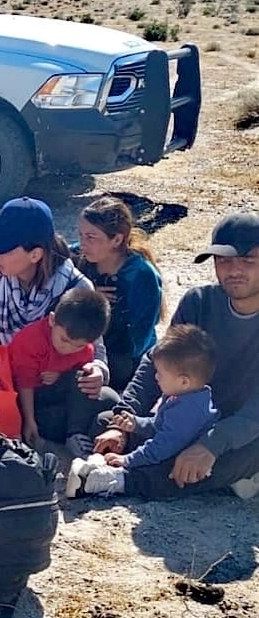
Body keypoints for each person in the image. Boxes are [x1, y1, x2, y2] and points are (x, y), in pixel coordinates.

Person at [91, 212, 259, 499]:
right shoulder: (200, 302)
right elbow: (157, 361)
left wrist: (211, 444)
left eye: (248, 261)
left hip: (244, 426)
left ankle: (122, 481)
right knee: (106, 421)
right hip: (191, 416)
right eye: (224, 260)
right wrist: (124, 419)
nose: (234, 270)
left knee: (239, 454)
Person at [0, 196, 118, 457]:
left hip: (55, 385)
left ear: (35, 254)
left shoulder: (75, 287)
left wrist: (97, 371)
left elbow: (96, 349)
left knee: (106, 397)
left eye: (5, 249)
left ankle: (41, 427)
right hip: (4, 385)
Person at [68, 324, 218, 497]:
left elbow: (161, 446)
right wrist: (134, 424)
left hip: (174, 452)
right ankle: (102, 461)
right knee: (105, 421)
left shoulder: (189, 411)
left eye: (160, 374)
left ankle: (108, 477)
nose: (155, 377)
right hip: (166, 443)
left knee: (169, 467)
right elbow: (158, 425)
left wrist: (127, 460)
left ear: (184, 381)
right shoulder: (179, 395)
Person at [75, 195, 165, 391]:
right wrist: (88, 296)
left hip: (128, 360)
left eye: (91, 237)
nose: (82, 243)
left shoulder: (141, 275)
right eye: (80, 235)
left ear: (116, 239)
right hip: (87, 348)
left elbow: (139, 338)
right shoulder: (79, 260)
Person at [10, 287, 111, 450]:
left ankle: (76, 433)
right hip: (30, 400)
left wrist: (63, 375)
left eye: (77, 346)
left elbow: (78, 382)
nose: (68, 348)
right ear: (52, 320)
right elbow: (24, 383)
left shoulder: (86, 349)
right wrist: (29, 421)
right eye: (64, 340)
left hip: (61, 396)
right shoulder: (29, 340)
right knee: (49, 423)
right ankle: (77, 432)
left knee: (111, 398)